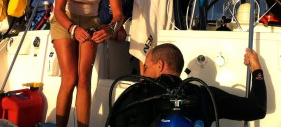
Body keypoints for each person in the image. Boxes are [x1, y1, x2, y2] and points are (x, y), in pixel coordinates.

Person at [50, 0, 123, 127]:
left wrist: (110, 29)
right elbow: (58, 10)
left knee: (84, 79)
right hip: (64, 19)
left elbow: (118, 14)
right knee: (70, 77)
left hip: (91, 21)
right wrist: (73, 29)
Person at [107, 43, 266, 127]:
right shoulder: (205, 95)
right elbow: (257, 108)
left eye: (147, 66)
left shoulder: (134, 94)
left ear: (160, 66)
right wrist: (256, 67)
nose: (144, 72)